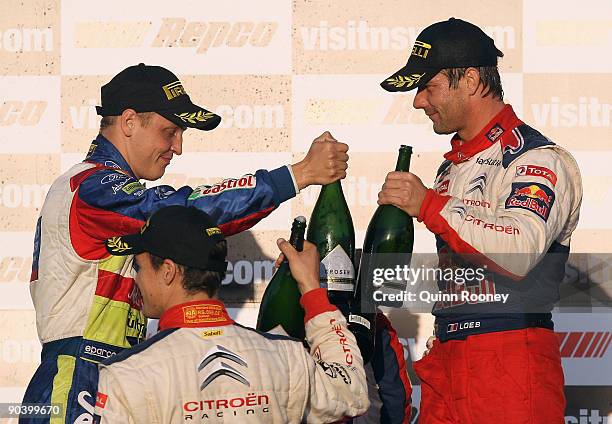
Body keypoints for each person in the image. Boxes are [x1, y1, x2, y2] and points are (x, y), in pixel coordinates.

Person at [22, 63, 349, 423]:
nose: (177, 147)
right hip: (77, 381)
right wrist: (297, 175)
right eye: (170, 131)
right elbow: (187, 214)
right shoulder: (91, 187)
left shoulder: (95, 188)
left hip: (105, 374)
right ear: (129, 122)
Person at [378, 18, 582, 423]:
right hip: (449, 355)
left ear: (469, 80)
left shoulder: (537, 159)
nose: (419, 102)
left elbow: (519, 251)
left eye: (428, 87)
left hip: (509, 358)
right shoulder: (451, 167)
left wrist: (429, 206)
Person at [93, 205, 368, 423]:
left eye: (139, 267)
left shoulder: (126, 375)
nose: (136, 279)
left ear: (168, 271)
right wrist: (310, 288)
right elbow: (352, 391)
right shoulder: (287, 356)